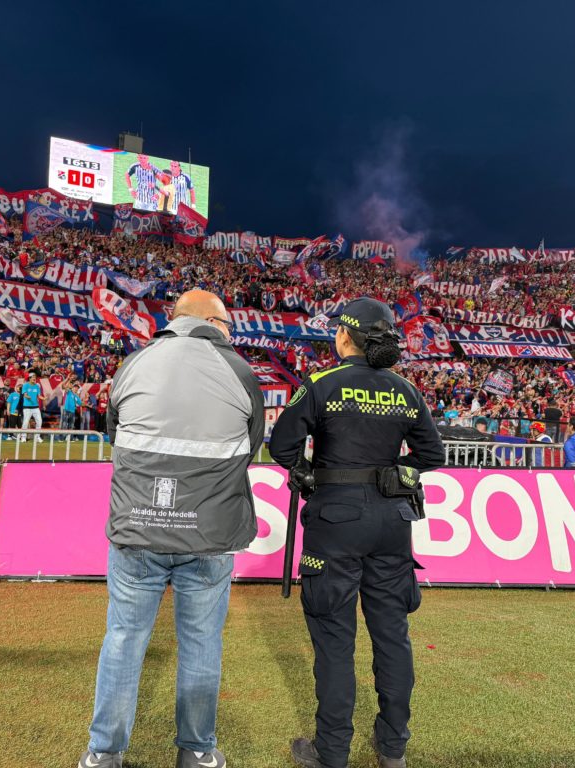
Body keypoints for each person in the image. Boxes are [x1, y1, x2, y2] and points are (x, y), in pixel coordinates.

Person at [79, 289, 264, 768]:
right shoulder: (238, 370)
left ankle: (103, 753)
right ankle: (196, 750)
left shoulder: (134, 363)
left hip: (138, 527)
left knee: (123, 638)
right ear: (212, 323)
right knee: (201, 642)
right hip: (207, 533)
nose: (231, 334)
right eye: (228, 325)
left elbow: (115, 430)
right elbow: (250, 445)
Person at [268, 297, 445, 768]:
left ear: (345, 335)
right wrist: (390, 471)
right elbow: (432, 455)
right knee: (393, 637)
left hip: (335, 521)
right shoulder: (405, 389)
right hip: (393, 522)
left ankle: (332, 751)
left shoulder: (322, 383)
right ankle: (393, 749)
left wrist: (305, 470)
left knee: (334, 639)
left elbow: (282, 446)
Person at [19, 373, 43, 441]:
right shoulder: (25, 385)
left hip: (36, 407)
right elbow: (25, 394)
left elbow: (39, 396)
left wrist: (43, 398)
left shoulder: (37, 386)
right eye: (33, 377)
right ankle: (23, 437)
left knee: (39, 421)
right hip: (27, 407)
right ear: (29, 378)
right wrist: (27, 396)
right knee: (25, 422)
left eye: (35, 377)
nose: (34, 378)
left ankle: (37, 437)